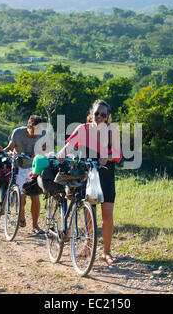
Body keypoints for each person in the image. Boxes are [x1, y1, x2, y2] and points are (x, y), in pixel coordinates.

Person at [56, 100, 121, 265]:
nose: (99, 117)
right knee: (89, 214)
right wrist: (63, 152)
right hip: (86, 174)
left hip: (106, 175)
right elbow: (69, 145)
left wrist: (109, 156)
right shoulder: (83, 129)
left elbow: (118, 153)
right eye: (97, 113)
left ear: (107, 117)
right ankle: (88, 244)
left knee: (107, 216)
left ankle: (106, 252)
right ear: (91, 114)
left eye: (103, 115)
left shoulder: (112, 131)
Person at [0, 115, 46, 235]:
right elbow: (10, 147)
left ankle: (35, 226)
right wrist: (1, 150)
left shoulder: (42, 134)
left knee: (35, 197)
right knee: (22, 198)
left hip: (34, 169)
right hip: (19, 167)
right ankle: (21, 218)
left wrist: (39, 153)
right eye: (33, 130)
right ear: (28, 126)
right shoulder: (17, 133)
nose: (35, 134)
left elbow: (45, 149)